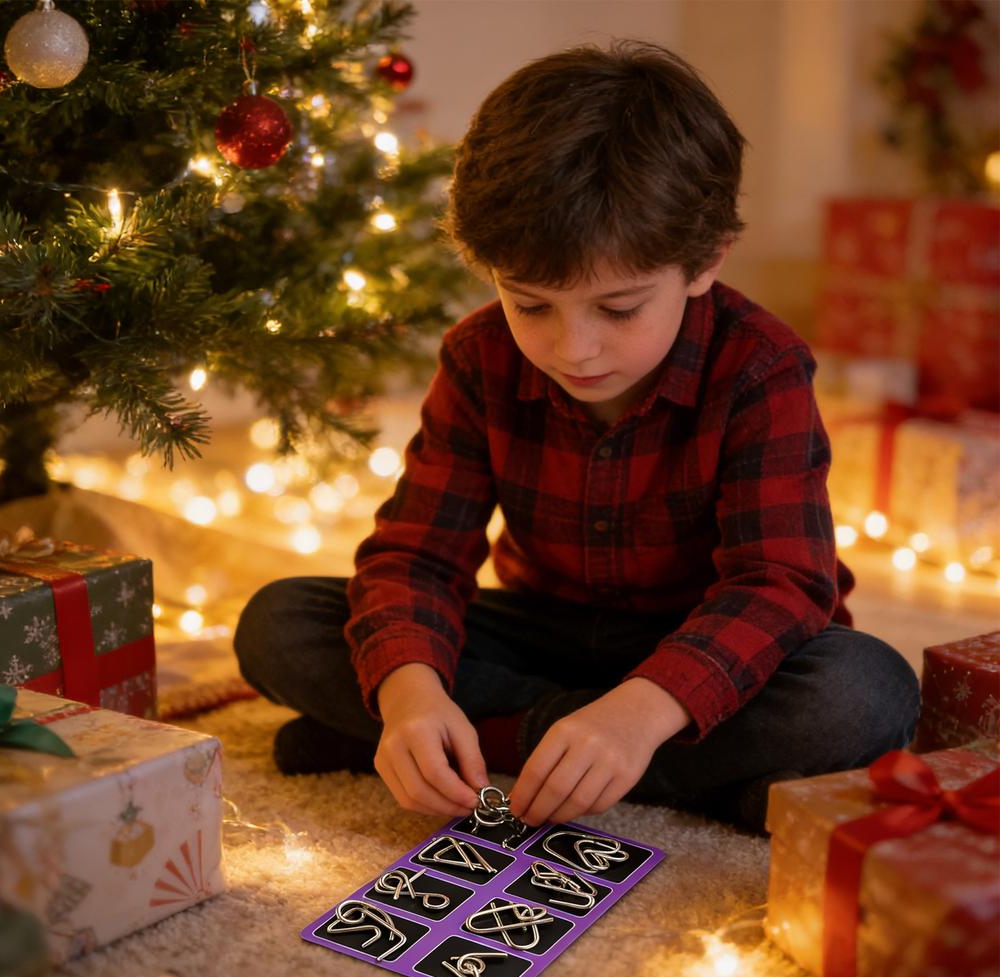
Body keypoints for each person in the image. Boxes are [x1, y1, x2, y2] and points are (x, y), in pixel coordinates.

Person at [234, 41, 920, 834]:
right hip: (539, 629)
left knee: (865, 691)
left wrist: (638, 714)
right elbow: (417, 556)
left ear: (705, 261)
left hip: (701, 639)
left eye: (619, 310)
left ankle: (495, 749)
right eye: (531, 305)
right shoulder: (478, 354)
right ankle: (679, 777)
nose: (573, 349)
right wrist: (412, 695)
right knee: (279, 623)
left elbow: (780, 585)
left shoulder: (760, 366)